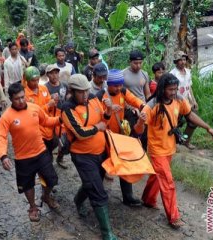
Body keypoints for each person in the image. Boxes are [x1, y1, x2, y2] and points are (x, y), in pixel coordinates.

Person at [134, 73, 213, 229]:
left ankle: (148, 199)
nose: (173, 92)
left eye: (175, 89)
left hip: (170, 147)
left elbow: (190, 114)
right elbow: (138, 130)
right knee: (167, 181)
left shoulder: (179, 99)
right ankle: (173, 217)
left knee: (158, 176)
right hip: (157, 150)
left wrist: (207, 127)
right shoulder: (152, 106)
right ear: (162, 88)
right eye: (170, 89)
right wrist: (140, 120)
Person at [61, 74, 117, 240]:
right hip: (83, 156)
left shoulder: (93, 99)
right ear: (72, 91)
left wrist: (107, 110)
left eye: (86, 91)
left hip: (101, 151)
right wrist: (97, 127)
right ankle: (107, 233)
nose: (85, 95)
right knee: (98, 191)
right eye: (81, 92)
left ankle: (78, 200)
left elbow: (104, 120)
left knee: (92, 182)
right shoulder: (67, 108)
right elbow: (79, 133)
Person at [0, 82, 60, 222]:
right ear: (11, 99)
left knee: (51, 180)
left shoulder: (34, 108)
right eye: (16, 99)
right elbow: (1, 136)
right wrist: (3, 156)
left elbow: (47, 121)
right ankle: (32, 207)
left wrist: (61, 119)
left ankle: (46, 196)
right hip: (23, 157)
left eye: (22, 97)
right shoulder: (6, 116)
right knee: (27, 185)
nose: (20, 101)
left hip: (41, 152)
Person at [97, 69, 145, 207]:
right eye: (115, 85)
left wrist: (143, 106)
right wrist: (109, 109)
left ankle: (128, 196)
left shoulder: (123, 92)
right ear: (109, 84)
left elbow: (134, 100)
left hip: (120, 137)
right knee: (102, 166)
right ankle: (97, 194)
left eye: (120, 85)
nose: (118, 88)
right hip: (105, 138)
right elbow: (98, 116)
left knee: (125, 164)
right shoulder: (101, 96)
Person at [23, 66, 58, 158]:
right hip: (37, 129)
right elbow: (32, 113)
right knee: (43, 154)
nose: (36, 83)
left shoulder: (43, 88)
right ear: (27, 80)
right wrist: (48, 106)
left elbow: (50, 104)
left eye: (37, 80)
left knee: (50, 148)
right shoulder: (24, 95)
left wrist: (53, 102)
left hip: (48, 126)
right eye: (33, 80)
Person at [170, 51, 198, 149]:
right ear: (176, 62)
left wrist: (193, 100)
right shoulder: (173, 74)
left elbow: (189, 87)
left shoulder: (188, 72)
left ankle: (185, 140)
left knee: (193, 123)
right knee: (175, 124)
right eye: (180, 60)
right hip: (177, 102)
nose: (182, 62)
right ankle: (174, 144)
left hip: (188, 101)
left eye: (184, 59)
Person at [123, 50, 150, 150]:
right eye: (135, 63)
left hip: (143, 108)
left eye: (140, 63)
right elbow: (121, 95)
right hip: (130, 109)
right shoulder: (123, 75)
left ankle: (144, 154)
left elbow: (147, 94)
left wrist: (149, 107)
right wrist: (131, 108)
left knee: (145, 134)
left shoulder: (144, 74)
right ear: (130, 62)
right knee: (133, 134)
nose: (138, 65)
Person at [45, 64, 69, 169]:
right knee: (52, 139)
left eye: (56, 72)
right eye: (52, 73)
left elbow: (68, 97)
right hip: (51, 117)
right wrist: (50, 100)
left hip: (63, 115)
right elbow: (44, 102)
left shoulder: (64, 85)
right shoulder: (45, 87)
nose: (54, 75)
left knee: (64, 139)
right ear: (47, 75)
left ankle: (60, 157)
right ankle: (48, 157)